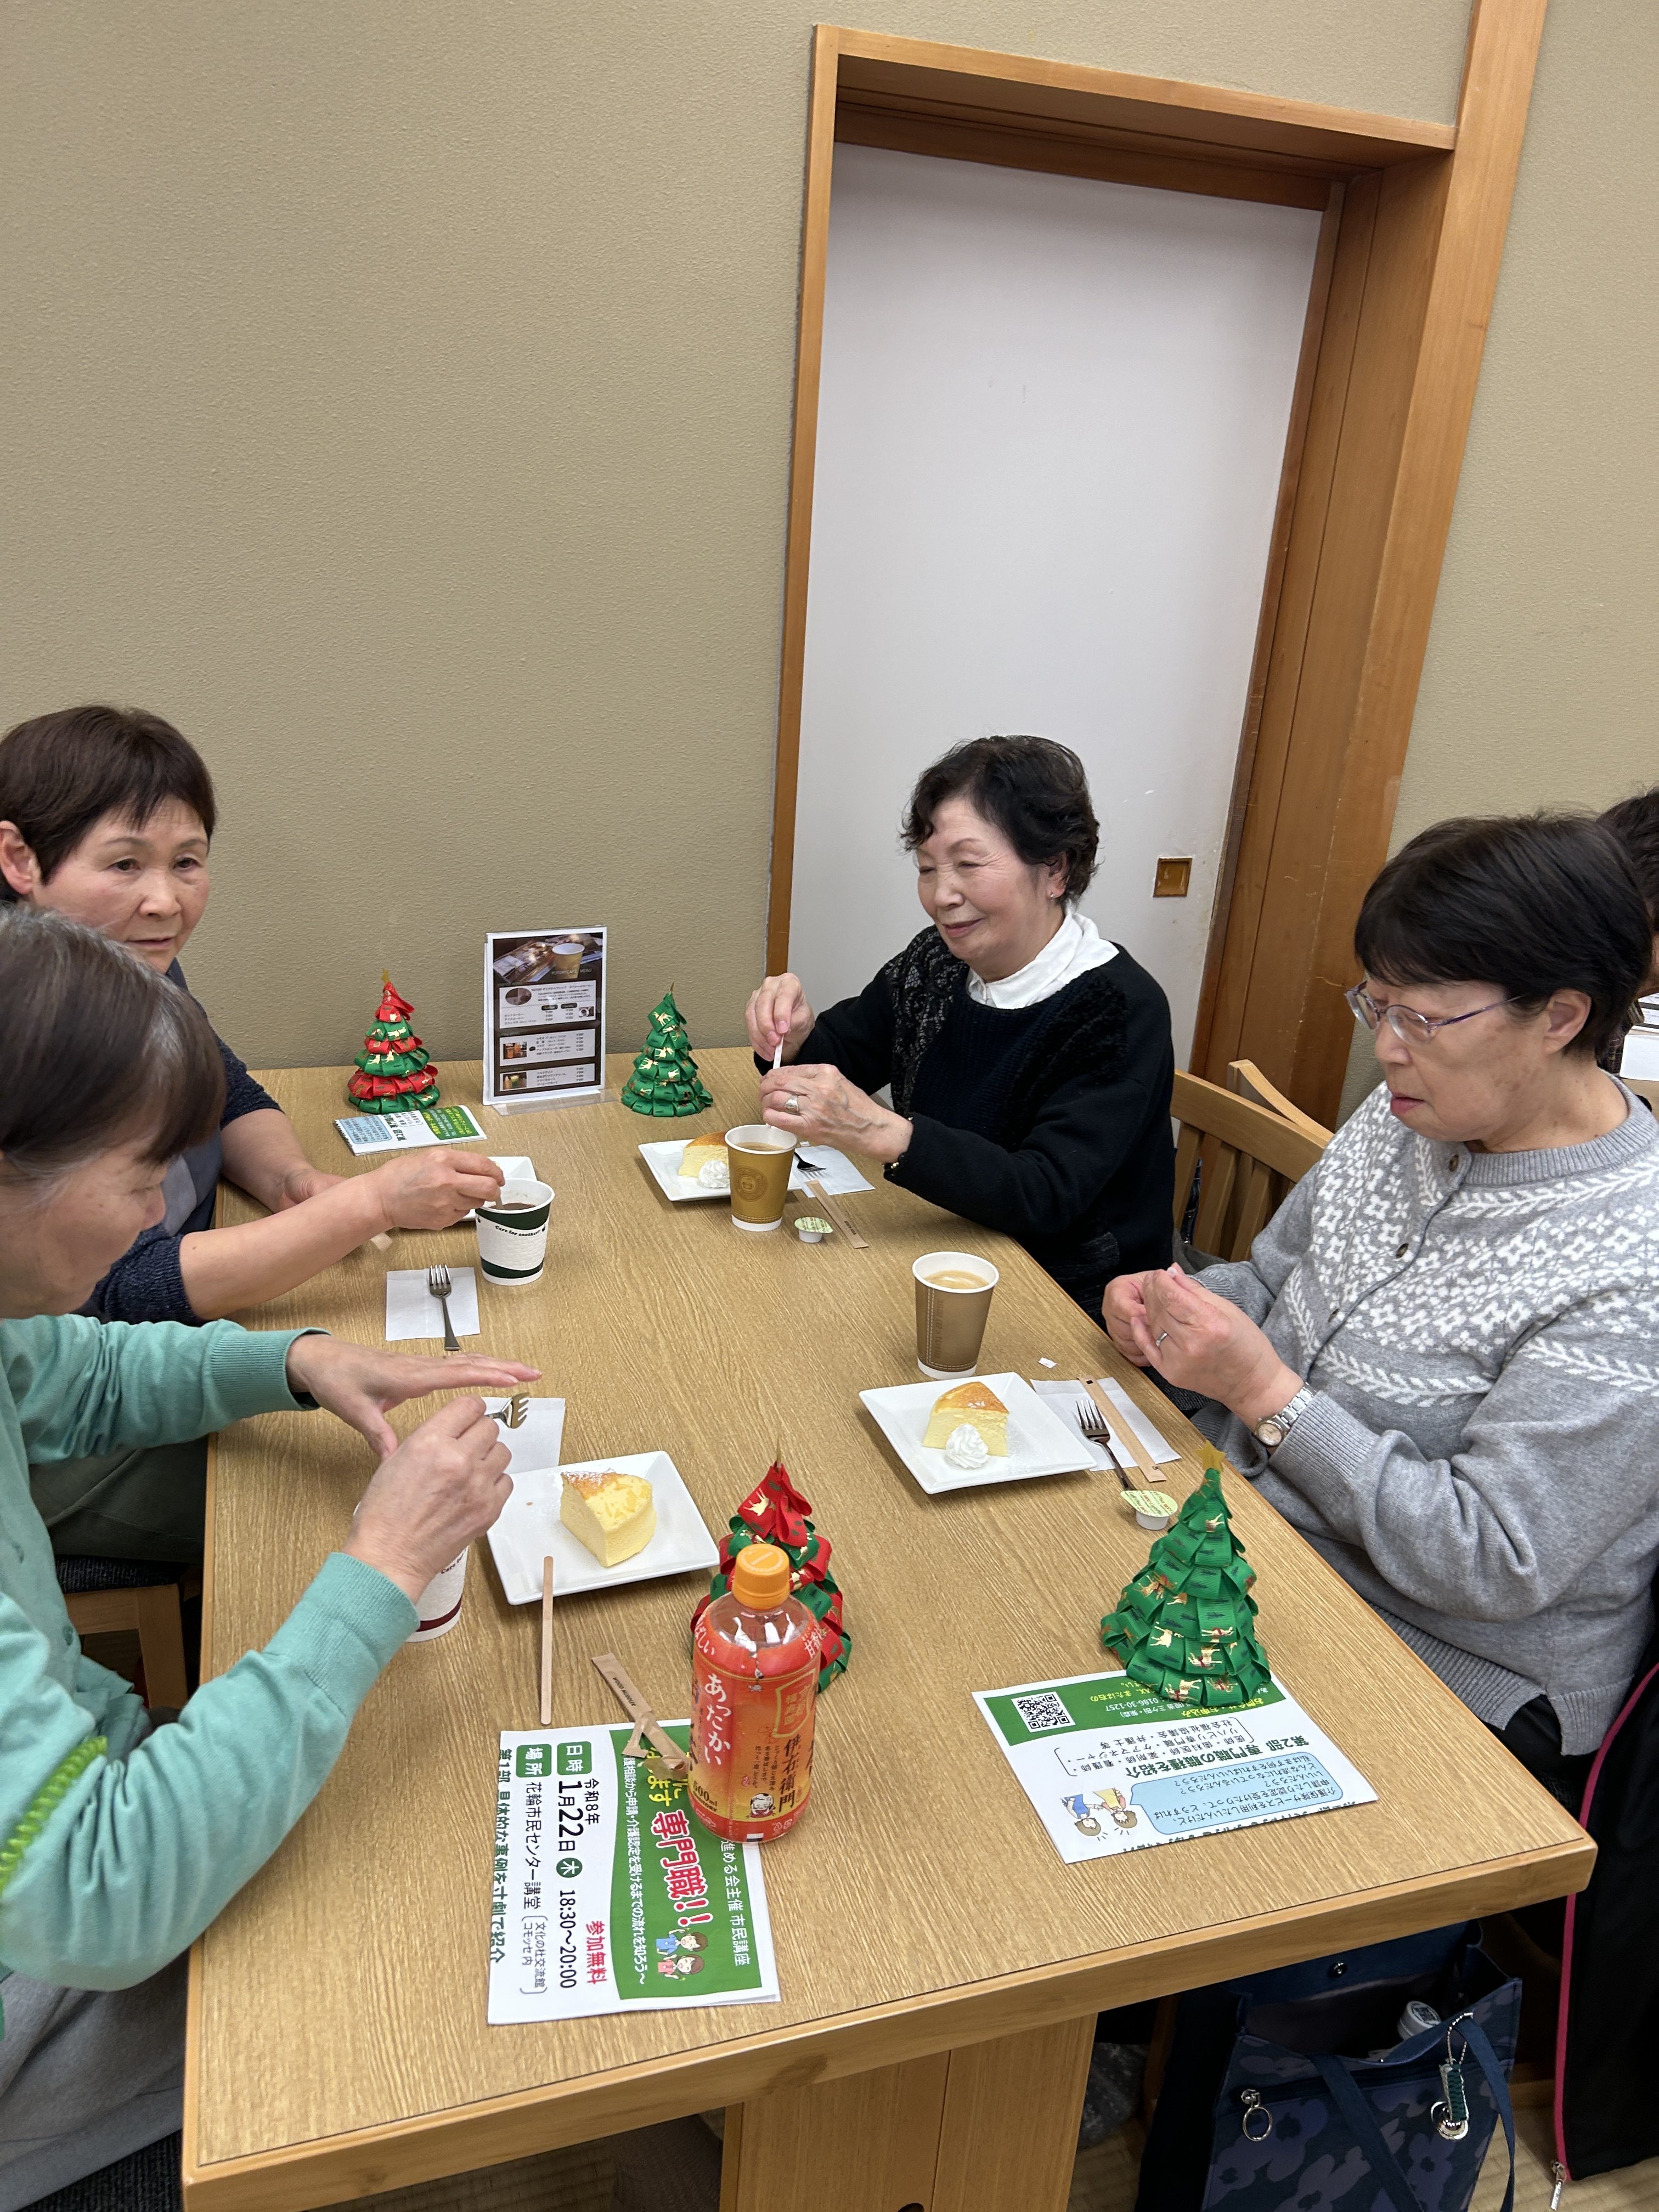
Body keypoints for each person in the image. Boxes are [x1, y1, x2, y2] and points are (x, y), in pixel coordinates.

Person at [0, 906, 538, 2208]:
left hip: (89, 1815)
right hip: (53, 2003)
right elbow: (99, 1890)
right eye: (138, 1177)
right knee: (450, 1919)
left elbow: (85, 1372)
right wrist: (381, 1564)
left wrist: (297, 1361)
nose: (156, 1215)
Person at [1102, 813, 1659, 1804]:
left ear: (1561, 1017)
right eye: (1376, 1004)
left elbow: (1494, 1559)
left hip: (1451, 1666)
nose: (1387, 1049)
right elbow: (1274, 1279)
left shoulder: (1630, 1259)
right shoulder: (1411, 1113)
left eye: (1424, 1019)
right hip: (1249, 1537)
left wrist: (1266, 1395)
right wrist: (1171, 1305)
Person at [0, 704, 508, 1561]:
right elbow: (118, 1295)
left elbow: (221, 1085)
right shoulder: (34, 1023)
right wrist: (368, 1205)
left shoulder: (120, 966)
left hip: (144, 1364)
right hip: (66, 1442)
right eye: (123, 864)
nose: (164, 900)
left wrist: (292, 1183)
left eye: (187, 862)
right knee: (344, 1508)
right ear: (19, 858)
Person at [746, 736, 1175, 1313]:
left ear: (1056, 869)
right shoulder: (937, 960)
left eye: (969, 865)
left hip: (1071, 1298)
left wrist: (883, 1133)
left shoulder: (1118, 1007)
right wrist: (795, 1037)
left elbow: (1047, 1193)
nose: (942, 895)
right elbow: (842, 1058)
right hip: (938, 1244)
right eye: (928, 869)